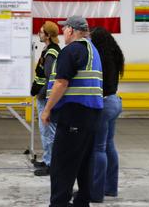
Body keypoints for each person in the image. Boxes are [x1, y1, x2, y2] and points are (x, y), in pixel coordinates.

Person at [41, 16, 104, 207]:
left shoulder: (71, 50)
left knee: (62, 165)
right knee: (84, 163)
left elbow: (61, 82)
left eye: (64, 29)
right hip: (91, 116)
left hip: (73, 115)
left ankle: (59, 203)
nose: (63, 32)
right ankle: (82, 201)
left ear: (71, 30)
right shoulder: (92, 50)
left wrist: (47, 109)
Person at [89, 27, 124, 202]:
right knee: (109, 145)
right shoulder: (115, 56)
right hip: (115, 102)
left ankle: (95, 192)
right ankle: (111, 188)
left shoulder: (99, 59)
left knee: (98, 148)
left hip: (103, 104)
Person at [31, 21, 61, 176]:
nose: (39, 34)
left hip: (46, 97)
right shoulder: (49, 50)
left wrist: (42, 94)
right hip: (43, 96)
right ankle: (47, 159)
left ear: (48, 35)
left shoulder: (51, 54)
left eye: (41, 32)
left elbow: (51, 78)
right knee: (46, 131)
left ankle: (51, 164)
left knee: (48, 132)